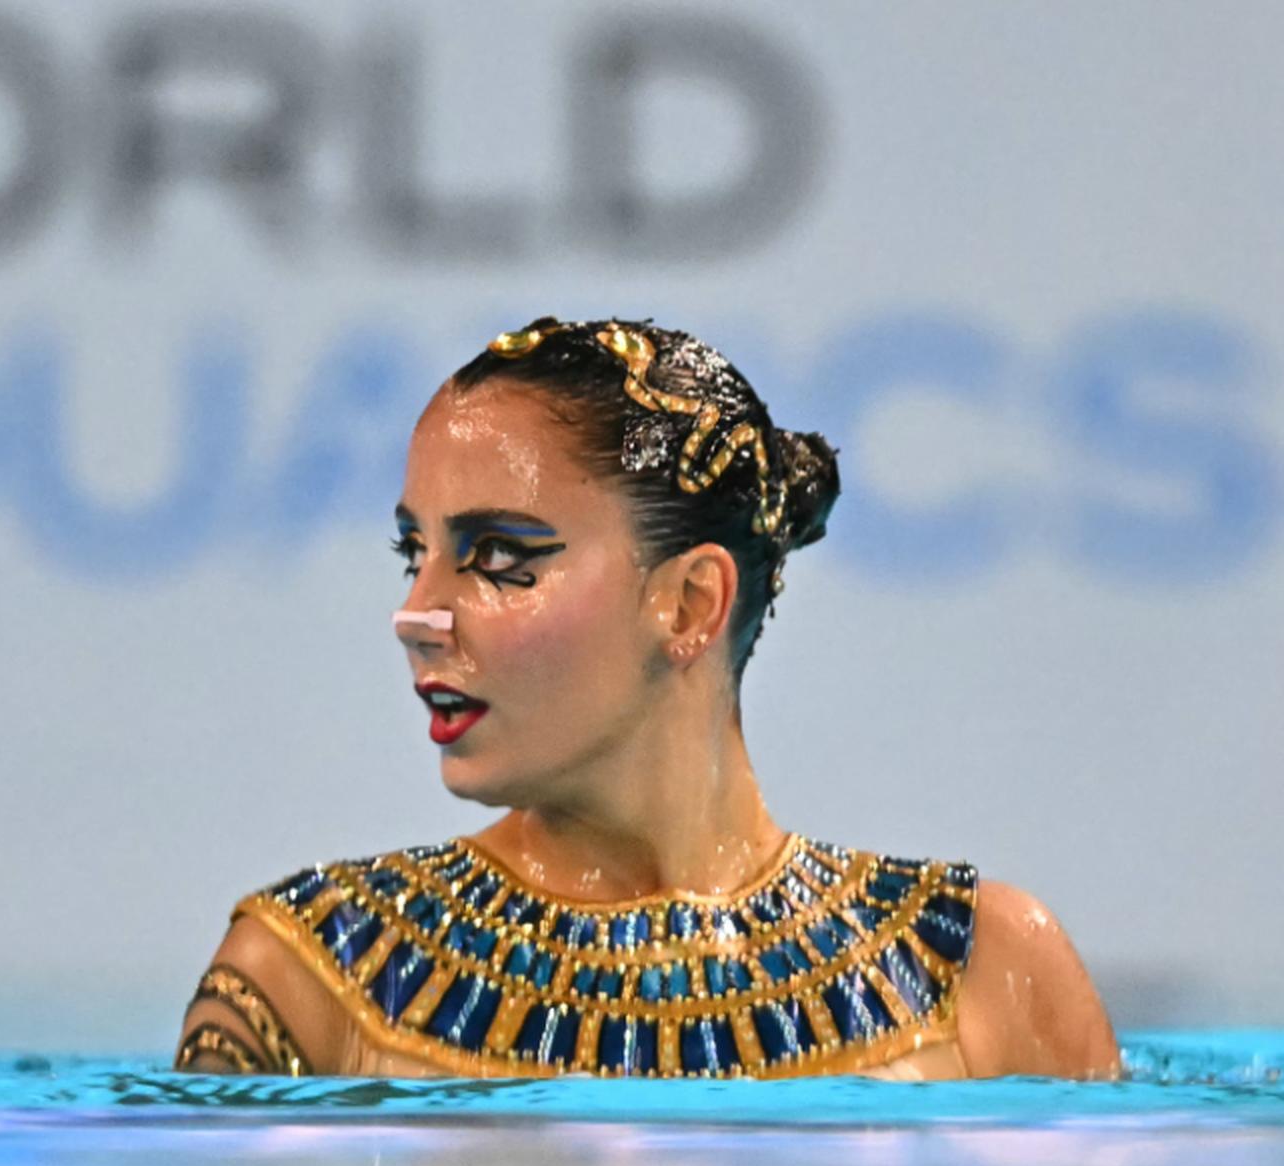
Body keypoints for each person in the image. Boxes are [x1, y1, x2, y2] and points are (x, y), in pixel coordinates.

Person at [174, 317, 1119, 1081]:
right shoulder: (310, 979)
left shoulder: (983, 974)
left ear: (688, 603)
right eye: (412, 554)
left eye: (498, 558)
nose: (417, 614)